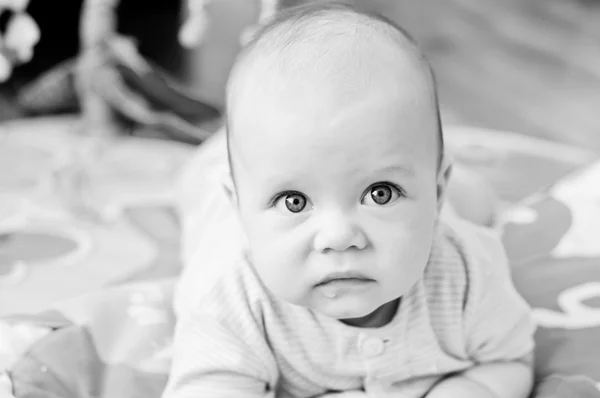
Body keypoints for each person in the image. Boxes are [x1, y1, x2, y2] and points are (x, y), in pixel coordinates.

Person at [164, 3, 535, 398]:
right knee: (202, 176)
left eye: (380, 194)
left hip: (433, 195)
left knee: (474, 200)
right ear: (240, 210)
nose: (339, 237)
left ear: (437, 191)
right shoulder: (229, 299)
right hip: (213, 185)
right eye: (293, 201)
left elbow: (508, 361)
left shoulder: (468, 275)